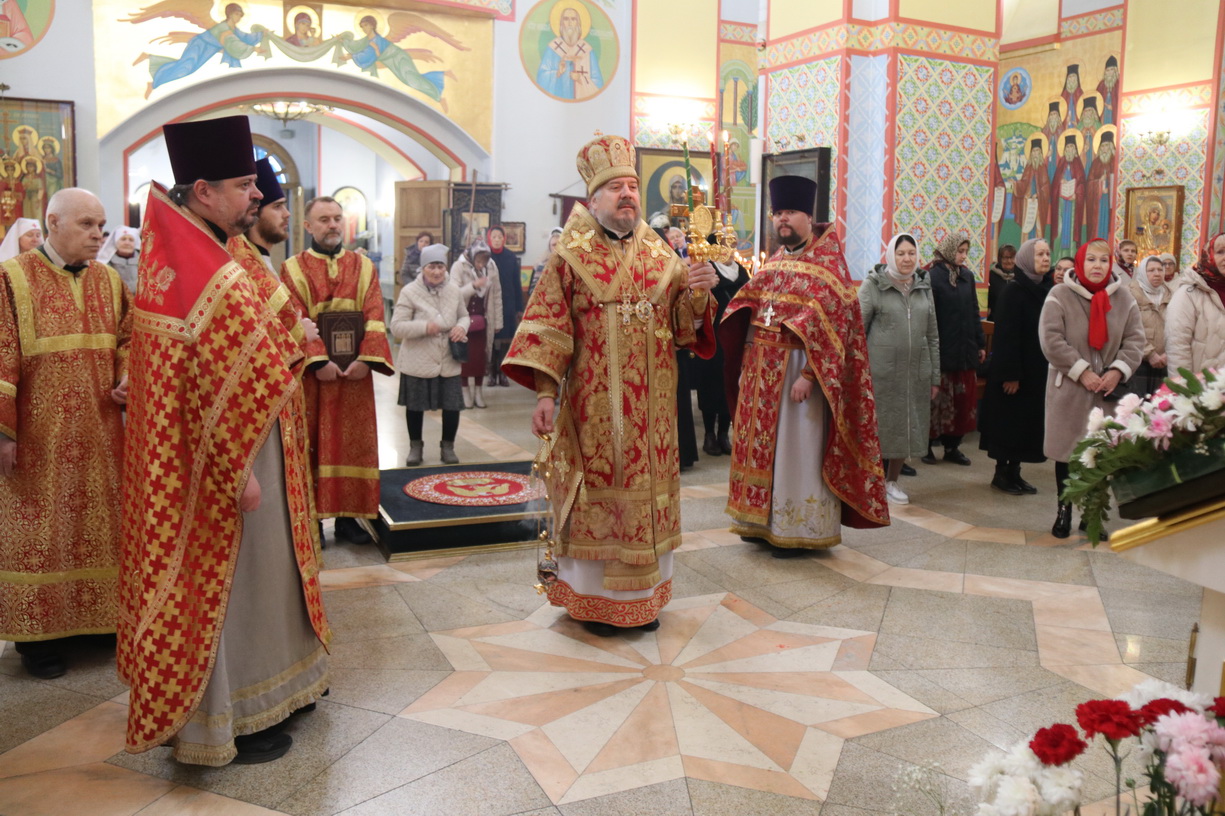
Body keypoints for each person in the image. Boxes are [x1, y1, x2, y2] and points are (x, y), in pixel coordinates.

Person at [120, 116, 330, 766]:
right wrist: (237, 471)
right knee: (236, 585)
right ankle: (234, 714)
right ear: (204, 190)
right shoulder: (194, 264)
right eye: (244, 185)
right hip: (228, 459)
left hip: (252, 442)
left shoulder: (206, 247)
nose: (256, 195)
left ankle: (281, 688)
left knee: (268, 575)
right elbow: (206, 386)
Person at [502, 134, 717, 635]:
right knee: (596, 496)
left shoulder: (661, 252)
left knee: (645, 496)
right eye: (616, 188)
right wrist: (546, 394)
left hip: (654, 413)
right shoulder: (569, 255)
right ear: (594, 198)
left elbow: (683, 328)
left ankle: (643, 601)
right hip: (594, 411)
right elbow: (547, 327)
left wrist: (699, 296)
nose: (627, 195)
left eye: (632, 187)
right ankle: (594, 602)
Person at [0, 189, 129, 680]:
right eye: (86, 225)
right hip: (39, 439)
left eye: (101, 225)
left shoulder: (110, 280)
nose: (98, 235)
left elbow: (129, 339)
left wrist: (128, 376)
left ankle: (97, 622)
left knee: (98, 527)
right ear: (53, 222)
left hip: (100, 435)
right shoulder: (12, 278)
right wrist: (3, 435)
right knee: (40, 533)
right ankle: (39, 638)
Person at [722, 175, 888, 556]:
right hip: (762, 374)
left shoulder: (828, 264)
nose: (782, 219)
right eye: (778, 212)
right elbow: (752, 309)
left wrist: (810, 374)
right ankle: (757, 522)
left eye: (790, 212)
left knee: (795, 453)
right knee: (761, 450)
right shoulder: (775, 261)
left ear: (808, 217)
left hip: (799, 375)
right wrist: (746, 358)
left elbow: (839, 327)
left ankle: (796, 527)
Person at [282, 196, 394, 545]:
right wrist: (318, 360)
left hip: (355, 376)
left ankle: (348, 520)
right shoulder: (293, 269)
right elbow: (295, 318)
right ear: (308, 226)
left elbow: (375, 314)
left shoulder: (364, 266)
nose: (332, 225)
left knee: (353, 445)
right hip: (315, 378)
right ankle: (313, 522)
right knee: (312, 444)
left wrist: (366, 360)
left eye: (336, 218)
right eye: (324, 219)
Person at [1040, 238, 1144, 538]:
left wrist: (1117, 371)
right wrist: (1081, 371)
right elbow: (1051, 339)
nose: (1097, 266)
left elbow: (1135, 340)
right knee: (1067, 454)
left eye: (1103, 260)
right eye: (1091, 259)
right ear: (1080, 262)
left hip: (1107, 391)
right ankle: (1064, 510)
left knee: (1101, 455)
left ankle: (1092, 514)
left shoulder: (1124, 298)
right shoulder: (1059, 295)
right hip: (1069, 388)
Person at [859, 233, 939, 505]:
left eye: (911, 253)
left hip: (914, 372)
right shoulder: (874, 285)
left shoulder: (923, 286)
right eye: (901, 253)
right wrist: (859, 374)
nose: (907, 259)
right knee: (878, 427)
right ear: (891, 255)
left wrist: (934, 377)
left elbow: (933, 335)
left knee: (904, 426)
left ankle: (891, 481)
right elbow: (857, 332)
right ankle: (869, 482)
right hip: (879, 373)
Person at [979, 239, 1054, 495]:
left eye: (1047, 254)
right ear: (1026, 259)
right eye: (1039, 254)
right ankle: (1001, 474)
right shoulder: (1014, 291)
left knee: (1025, 425)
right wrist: (1011, 374)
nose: (1045, 259)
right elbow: (1006, 337)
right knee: (1009, 424)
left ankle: (1015, 472)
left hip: (1036, 370)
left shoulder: (1046, 289)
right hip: (1013, 371)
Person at [391, 243, 469, 466]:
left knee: (452, 405)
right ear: (423, 268)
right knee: (415, 407)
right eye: (431, 267)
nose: (437, 272)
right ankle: (415, 447)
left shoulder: (453, 290)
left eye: (440, 267)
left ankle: (448, 447)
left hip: (447, 357)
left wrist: (461, 327)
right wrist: (425, 327)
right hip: (418, 359)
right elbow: (396, 327)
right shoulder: (409, 292)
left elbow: (464, 316)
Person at [922, 230, 985, 466]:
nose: (963, 256)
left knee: (962, 401)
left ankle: (952, 447)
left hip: (964, 350)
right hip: (942, 349)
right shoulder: (932, 276)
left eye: (966, 251)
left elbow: (973, 311)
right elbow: (928, 316)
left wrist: (979, 343)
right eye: (960, 251)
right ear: (949, 250)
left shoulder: (966, 276)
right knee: (936, 402)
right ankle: (926, 446)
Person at [695, 238, 749, 457]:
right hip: (712, 336)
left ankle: (724, 434)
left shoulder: (742, 272)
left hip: (735, 337)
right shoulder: (707, 271)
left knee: (730, 382)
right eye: (723, 246)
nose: (729, 250)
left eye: (731, 246)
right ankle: (709, 434)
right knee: (710, 385)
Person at [450, 240, 502, 411]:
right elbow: (453, 294)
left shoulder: (492, 267)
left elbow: (496, 294)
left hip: (483, 319)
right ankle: (465, 391)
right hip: (462, 319)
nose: (481, 265)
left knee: (480, 358)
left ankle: (479, 392)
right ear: (472, 257)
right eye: (478, 261)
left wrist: (498, 321)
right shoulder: (459, 266)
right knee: (464, 358)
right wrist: (473, 285)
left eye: (484, 261)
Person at [1166, 232, 1225, 376]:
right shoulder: (1189, 293)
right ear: (1208, 255)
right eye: (1220, 252)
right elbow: (1177, 346)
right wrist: (1183, 385)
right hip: (1202, 385)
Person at [1126, 255, 1173, 396]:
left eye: (1160, 269)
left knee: (1162, 403)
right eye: (1151, 270)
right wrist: (1149, 353)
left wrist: (1169, 353)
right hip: (1138, 362)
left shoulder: (1171, 295)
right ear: (1142, 272)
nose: (1157, 274)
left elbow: (1178, 328)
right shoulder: (1129, 293)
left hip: (1165, 361)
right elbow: (1128, 328)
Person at [487, 225, 523, 387]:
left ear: (504, 239)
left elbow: (516, 283)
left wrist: (519, 308)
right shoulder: (485, 256)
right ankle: (491, 372)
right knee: (491, 338)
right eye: (493, 237)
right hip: (490, 303)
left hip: (508, 302)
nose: (496, 240)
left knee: (505, 339)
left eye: (499, 237)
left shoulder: (510, 257)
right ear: (489, 239)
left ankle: (502, 373)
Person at [98, 225, 140, 291]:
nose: (127, 243)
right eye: (123, 239)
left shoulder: (143, 263)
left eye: (131, 240)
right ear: (116, 242)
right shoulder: (105, 263)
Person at [529, 227, 562, 297]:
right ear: (549, 246)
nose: (556, 247)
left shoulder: (571, 265)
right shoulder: (541, 265)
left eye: (559, 244)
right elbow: (533, 291)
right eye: (554, 245)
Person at [987, 243, 1016, 321]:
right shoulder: (991, 275)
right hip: (995, 320)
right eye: (1006, 258)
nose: (1009, 261)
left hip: (1015, 321)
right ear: (999, 259)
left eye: (1012, 257)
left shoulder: (1020, 276)